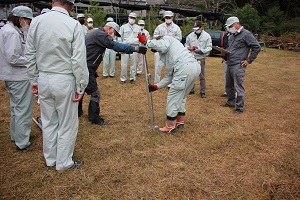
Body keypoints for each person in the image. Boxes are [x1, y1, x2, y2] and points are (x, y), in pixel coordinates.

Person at [25, 0, 89, 170]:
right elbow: (78, 60)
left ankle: (51, 159)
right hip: (64, 79)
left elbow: (30, 53)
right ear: (72, 7)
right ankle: (63, 162)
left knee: (49, 121)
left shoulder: (37, 21)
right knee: (67, 123)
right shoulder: (73, 24)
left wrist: (34, 79)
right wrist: (81, 86)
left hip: (44, 77)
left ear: (53, 2)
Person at [78, 22, 147, 125]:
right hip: (85, 69)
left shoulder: (97, 33)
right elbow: (114, 45)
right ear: (110, 29)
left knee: (81, 89)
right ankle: (94, 118)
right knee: (95, 93)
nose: (113, 35)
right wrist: (135, 49)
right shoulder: (100, 35)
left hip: (84, 67)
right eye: (114, 32)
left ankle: (77, 112)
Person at [138, 35, 200, 133]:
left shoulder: (165, 40)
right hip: (194, 67)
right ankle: (180, 121)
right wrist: (157, 86)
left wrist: (146, 42)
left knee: (173, 96)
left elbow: (162, 46)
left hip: (184, 68)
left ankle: (170, 127)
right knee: (181, 95)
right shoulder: (175, 50)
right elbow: (171, 75)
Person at [0, 6, 34, 151]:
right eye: (27, 21)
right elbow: (14, 58)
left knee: (16, 108)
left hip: (11, 76)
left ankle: (16, 135)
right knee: (23, 110)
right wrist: (31, 60)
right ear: (20, 19)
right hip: (18, 77)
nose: (28, 24)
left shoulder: (6, 30)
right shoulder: (12, 33)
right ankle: (22, 141)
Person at [221, 16, 261, 114]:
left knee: (238, 86)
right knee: (229, 86)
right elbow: (231, 49)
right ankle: (231, 102)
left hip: (238, 65)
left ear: (237, 24)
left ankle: (239, 107)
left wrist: (248, 60)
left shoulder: (246, 34)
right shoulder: (232, 35)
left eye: (231, 26)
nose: (230, 28)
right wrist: (224, 54)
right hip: (229, 63)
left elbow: (257, 47)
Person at [153, 10, 182, 84]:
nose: (168, 18)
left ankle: (171, 83)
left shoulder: (176, 28)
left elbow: (180, 38)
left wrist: (173, 37)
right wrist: (160, 36)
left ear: (172, 18)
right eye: (166, 17)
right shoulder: (160, 27)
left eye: (169, 17)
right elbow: (154, 36)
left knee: (171, 68)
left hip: (171, 51)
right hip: (160, 50)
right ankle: (157, 82)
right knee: (157, 67)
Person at [185, 20, 212, 98]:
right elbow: (186, 45)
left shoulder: (207, 36)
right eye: (194, 29)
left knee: (201, 75)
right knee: (191, 74)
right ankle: (191, 89)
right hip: (192, 57)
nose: (195, 31)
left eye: (197, 29)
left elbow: (209, 47)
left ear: (201, 28)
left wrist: (201, 51)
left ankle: (202, 91)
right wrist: (188, 48)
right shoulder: (190, 36)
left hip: (201, 57)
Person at [119, 12, 140, 84]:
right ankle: (123, 79)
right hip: (125, 47)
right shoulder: (123, 27)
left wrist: (139, 49)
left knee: (133, 65)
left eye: (133, 18)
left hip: (134, 47)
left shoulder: (138, 28)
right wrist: (120, 48)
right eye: (131, 17)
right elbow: (120, 38)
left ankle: (132, 78)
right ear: (128, 18)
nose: (132, 19)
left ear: (135, 19)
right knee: (124, 65)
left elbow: (140, 39)